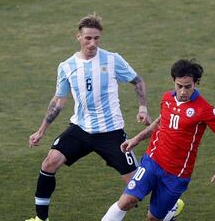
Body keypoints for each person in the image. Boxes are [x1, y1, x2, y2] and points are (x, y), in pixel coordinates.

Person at [25, 14, 153, 221]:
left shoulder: (112, 59)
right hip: (80, 129)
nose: (92, 43)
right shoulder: (66, 66)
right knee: (49, 162)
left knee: (137, 184)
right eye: (88, 38)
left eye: (96, 38)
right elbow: (59, 100)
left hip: (111, 132)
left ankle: (171, 207)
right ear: (78, 37)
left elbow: (137, 81)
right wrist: (41, 130)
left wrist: (143, 108)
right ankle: (40, 219)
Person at [101, 59, 215, 221]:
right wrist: (136, 139)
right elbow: (160, 122)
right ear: (173, 81)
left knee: (153, 218)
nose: (183, 91)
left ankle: (170, 211)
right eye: (179, 86)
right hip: (153, 160)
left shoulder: (204, 109)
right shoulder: (167, 98)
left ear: (195, 83)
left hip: (177, 173)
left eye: (188, 86)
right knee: (127, 200)